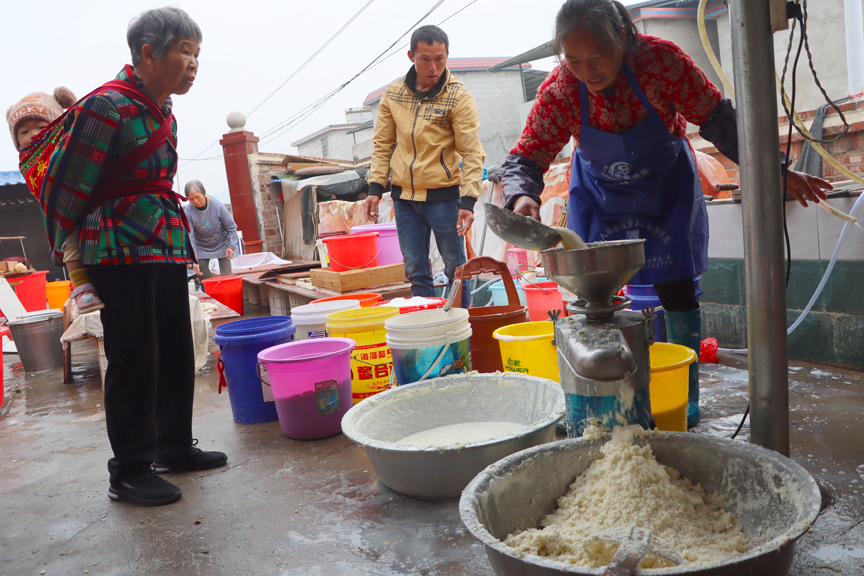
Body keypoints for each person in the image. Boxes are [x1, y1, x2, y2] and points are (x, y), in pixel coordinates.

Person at [503, 0, 832, 428]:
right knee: (595, 300)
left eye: (598, 55)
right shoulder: (561, 88)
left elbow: (719, 120)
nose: (588, 70)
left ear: (622, 36)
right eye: (574, 59)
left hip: (666, 189)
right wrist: (521, 198)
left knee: (676, 290)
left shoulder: (661, 63)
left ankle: (684, 396)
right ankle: (607, 403)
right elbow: (525, 157)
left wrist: (772, 169)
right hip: (601, 197)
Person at [40, 7, 226, 506]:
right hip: (117, 249)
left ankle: (172, 447)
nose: (193, 63)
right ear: (148, 53)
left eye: (197, 54)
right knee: (134, 355)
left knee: (174, 349)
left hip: (163, 245)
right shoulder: (106, 106)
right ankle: (129, 470)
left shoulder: (164, 109)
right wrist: (71, 256)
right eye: (184, 51)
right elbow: (66, 188)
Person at [363, 25, 485, 307]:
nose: (433, 67)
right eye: (425, 59)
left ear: (447, 55)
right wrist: (374, 187)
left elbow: (473, 153)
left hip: (444, 198)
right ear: (411, 56)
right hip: (404, 198)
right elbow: (383, 145)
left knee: (455, 268)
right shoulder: (393, 95)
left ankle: (457, 331)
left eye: (440, 58)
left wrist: (468, 200)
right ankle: (427, 328)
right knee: (416, 270)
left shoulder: (458, 97)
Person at [7, 89, 105, 313]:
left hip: (93, 207)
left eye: (42, 128)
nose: (33, 134)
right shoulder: (28, 161)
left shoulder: (70, 146)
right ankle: (82, 288)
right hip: (62, 213)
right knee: (70, 242)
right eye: (24, 132)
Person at [183, 180, 239, 279]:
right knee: (202, 272)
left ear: (203, 193)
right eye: (191, 199)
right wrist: (194, 259)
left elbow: (231, 227)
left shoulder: (217, 206)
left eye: (197, 197)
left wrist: (230, 246)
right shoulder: (188, 212)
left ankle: (227, 293)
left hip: (221, 243)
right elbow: (189, 237)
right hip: (200, 246)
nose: (195, 201)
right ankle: (208, 294)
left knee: (226, 272)